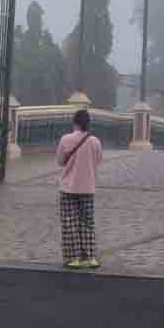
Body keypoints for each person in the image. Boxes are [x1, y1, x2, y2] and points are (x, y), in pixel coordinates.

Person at [55, 109, 103, 269]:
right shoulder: (95, 141)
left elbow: (60, 161)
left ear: (74, 122)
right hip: (88, 187)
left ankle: (74, 257)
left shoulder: (65, 139)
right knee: (87, 222)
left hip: (68, 187)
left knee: (70, 222)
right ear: (88, 124)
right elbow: (98, 161)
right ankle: (90, 257)